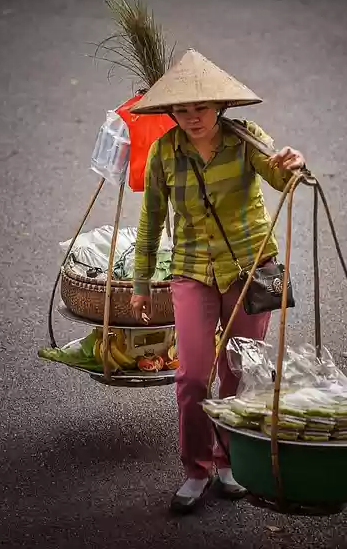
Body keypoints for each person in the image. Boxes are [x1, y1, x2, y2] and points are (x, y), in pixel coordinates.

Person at [129, 49, 305, 514]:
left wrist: (292, 164)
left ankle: (229, 462)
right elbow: (150, 221)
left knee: (239, 373)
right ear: (170, 112)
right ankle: (195, 469)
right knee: (190, 377)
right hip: (191, 269)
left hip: (252, 269)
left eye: (200, 108)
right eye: (182, 109)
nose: (192, 117)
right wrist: (141, 282)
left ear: (220, 107)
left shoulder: (247, 139)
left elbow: (281, 173)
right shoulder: (164, 152)